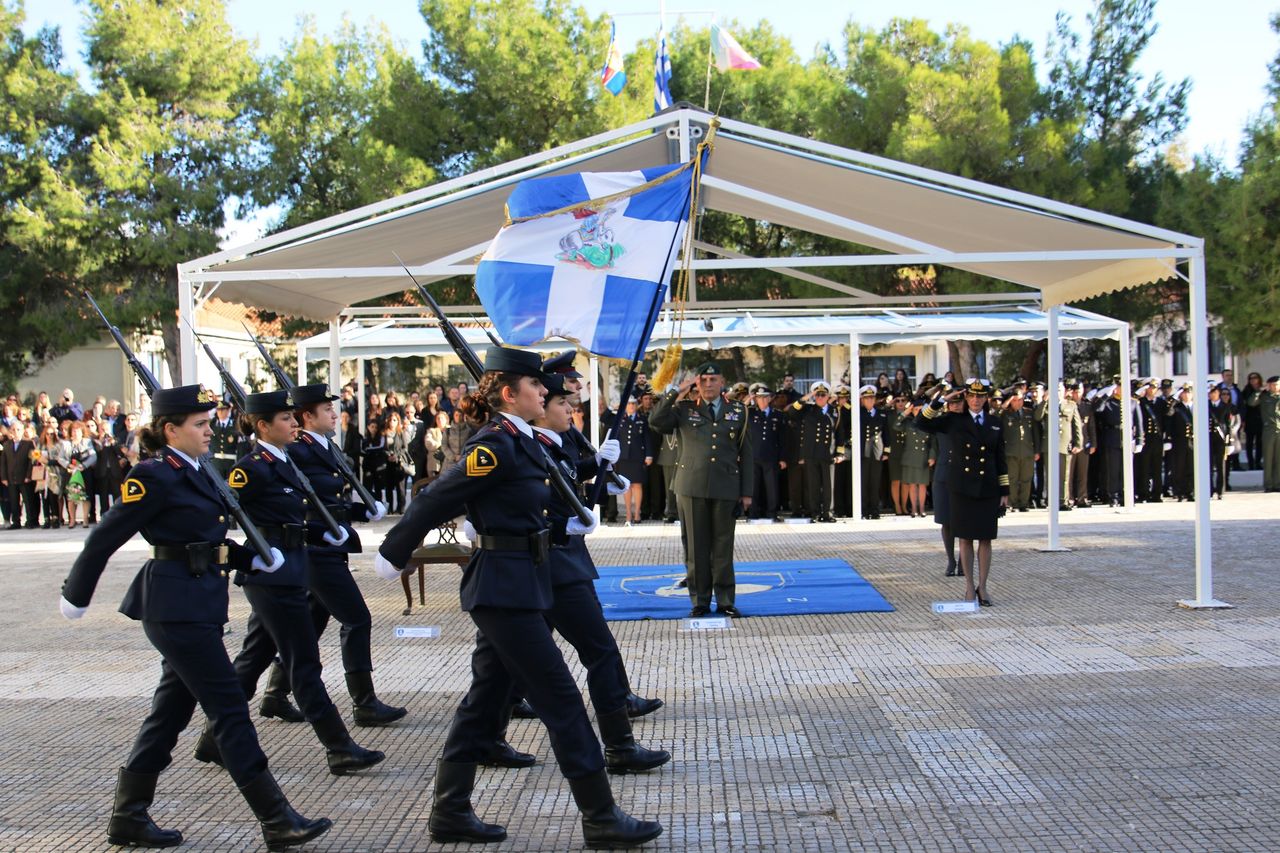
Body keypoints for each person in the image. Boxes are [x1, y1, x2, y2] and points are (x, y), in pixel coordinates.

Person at [375, 347, 662, 848]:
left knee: (486, 699)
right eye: (536, 388)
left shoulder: (525, 441)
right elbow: (439, 495)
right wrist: (396, 548)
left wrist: (568, 518)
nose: (546, 394)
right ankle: (600, 816)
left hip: (522, 581)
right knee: (561, 698)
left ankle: (450, 811)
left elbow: (537, 501)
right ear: (512, 394)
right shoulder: (496, 444)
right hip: (502, 589)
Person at [58, 384, 331, 851]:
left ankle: (128, 817)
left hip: (199, 602)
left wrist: (252, 560)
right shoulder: (155, 475)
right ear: (171, 430)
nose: (210, 431)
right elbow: (105, 536)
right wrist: (77, 593)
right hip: (173, 606)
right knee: (228, 708)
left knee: (170, 713)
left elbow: (207, 539)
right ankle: (276, 818)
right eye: (200, 425)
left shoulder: (199, 470)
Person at [193, 390, 384, 776]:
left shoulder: (284, 461)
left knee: (254, 659)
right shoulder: (254, 467)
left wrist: (324, 533)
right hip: (271, 574)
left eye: (294, 418)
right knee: (304, 664)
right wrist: (230, 555)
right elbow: (222, 511)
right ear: (263, 426)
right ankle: (339, 746)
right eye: (285, 418)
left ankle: (214, 739)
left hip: (290, 568)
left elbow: (293, 517)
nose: (295, 423)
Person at [490, 374, 670, 773]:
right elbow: (540, 501)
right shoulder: (526, 447)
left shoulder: (547, 445)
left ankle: (485, 737)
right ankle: (620, 747)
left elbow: (569, 479)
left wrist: (598, 469)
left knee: (502, 664)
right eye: (557, 403)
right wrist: (566, 520)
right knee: (599, 652)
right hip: (554, 564)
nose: (568, 409)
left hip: (556, 562)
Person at [250, 384, 401, 730]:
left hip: (328, 546)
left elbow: (328, 498)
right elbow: (302, 501)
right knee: (357, 618)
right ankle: (364, 702)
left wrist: (361, 510)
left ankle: (275, 694)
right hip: (316, 551)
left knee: (311, 623)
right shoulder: (298, 451)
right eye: (327, 411)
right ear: (308, 417)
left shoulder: (324, 447)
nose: (335, 414)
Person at [649, 362, 753, 618]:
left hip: (726, 485)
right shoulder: (684, 410)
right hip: (691, 486)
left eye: (713, 379)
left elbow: (747, 454)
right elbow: (655, 420)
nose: (708, 384)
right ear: (697, 383)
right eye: (703, 379)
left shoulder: (739, 411)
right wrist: (677, 390)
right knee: (695, 547)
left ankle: (726, 600)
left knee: (723, 546)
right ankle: (700, 601)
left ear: (722, 382)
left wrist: (746, 491)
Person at [918, 380, 1009, 605]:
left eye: (980, 396)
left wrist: (1004, 489)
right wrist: (941, 401)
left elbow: (1000, 458)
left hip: (987, 486)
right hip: (962, 487)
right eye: (972, 396)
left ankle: (983, 587)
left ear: (986, 398)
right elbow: (921, 422)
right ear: (966, 397)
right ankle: (969, 587)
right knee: (966, 538)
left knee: (986, 539)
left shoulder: (995, 423)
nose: (976, 400)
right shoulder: (953, 420)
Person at [786, 381, 838, 523]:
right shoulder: (807, 409)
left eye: (823, 395)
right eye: (818, 395)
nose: (820, 397)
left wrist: (839, 453)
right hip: (811, 453)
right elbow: (792, 411)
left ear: (828, 396)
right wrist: (807, 397)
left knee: (828, 486)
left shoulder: (834, 410)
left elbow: (839, 432)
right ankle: (814, 513)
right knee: (813, 485)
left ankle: (827, 512)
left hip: (827, 453)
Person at [614, 394, 652, 526]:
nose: (631, 406)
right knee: (626, 486)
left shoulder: (642, 420)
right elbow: (616, 439)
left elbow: (647, 438)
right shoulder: (620, 420)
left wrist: (649, 455)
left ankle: (637, 513)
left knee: (637, 485)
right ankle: (628, 513)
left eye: (633, 404)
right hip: (624, 457)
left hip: (637, 456)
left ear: (636, 405)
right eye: (628, 404)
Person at [1001, 383, 1039, 512]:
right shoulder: (1005, 414)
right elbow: (996, 414)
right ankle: (1012, 502)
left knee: (1026, 478)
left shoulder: (1029, 413)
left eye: (1020, 400)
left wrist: (1037, 450)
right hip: (1011, 451)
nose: (1018, 403)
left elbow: (1035, 433)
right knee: (1012, 478)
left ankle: (1023, 503)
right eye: (1015, 400)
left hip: (1027, 450)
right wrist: (1008, 401)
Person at [746, 386, 783, 520]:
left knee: (771, 487)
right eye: (759, 397)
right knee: (754, 487)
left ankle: (772, 513)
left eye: (764, 397)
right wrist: (749, 399)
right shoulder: (750, 413)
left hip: (771, 456)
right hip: (753, 456)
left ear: (770, 398)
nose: (761, 400)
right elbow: (738, 411)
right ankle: (753, 513)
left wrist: (782, 458)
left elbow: (782, 438)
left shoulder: (777, 414)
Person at [897, 396, 936, 517]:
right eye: (915, 409)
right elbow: (896, 425)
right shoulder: (908, 422)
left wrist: (932, 456)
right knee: (912, 484)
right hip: (910, 457)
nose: (917, 411)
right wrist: (905, 412)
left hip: (923, 457)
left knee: (923, 485)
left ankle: (922, 508)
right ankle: (914, 509)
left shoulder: (928, 422)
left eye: (920, 409)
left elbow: (933, 442)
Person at [857, 385, 890, 519]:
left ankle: (875, 510)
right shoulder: (858, 413)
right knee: (864, 483)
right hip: (863, 452)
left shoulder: (881, 413)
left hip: (877, 451)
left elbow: (886, 434)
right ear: (862, 400)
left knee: (875, 482)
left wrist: (887, 451)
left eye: (871, 398)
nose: (869, 401)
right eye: (866, 398)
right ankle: (864, 510)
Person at [1248, 376, 1280, 491]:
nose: (1275, 387)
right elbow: (1251, 403)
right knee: (1268, 458)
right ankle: (1268, 485)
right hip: (1268, 430)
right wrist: (1259, 391)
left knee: (1279, 459)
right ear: (1268, 385)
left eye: (1277, 384)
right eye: (1272, 385)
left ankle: (1278, 484)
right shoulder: (1264, 396)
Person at [383, 411, 412, 514]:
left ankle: (401, 508)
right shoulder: (384, 433)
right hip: (387, 464)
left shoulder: (401, 433)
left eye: (394, 420)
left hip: (399, 463)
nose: (392, 422)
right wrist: (388, 455)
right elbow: (382, 448)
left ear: (398, 421)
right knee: (389, 487)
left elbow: (405, 448)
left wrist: (397, 455)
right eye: (390, 420)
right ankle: (389, 508)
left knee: (400, 488)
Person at [1207, 384, 1232, 499]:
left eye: (1214, 392)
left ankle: (1220, 490)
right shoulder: (1205, 406)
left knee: (1220, 466)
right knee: (1209, 466)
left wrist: (1229, 441)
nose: (1212, 394)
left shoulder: (1225, 406)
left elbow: (1228, 424)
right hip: (1208, 439)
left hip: (1220, 439)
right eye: (1210, 392)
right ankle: (1209, 490)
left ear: (1218, 393)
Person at [210, 400, 239, 479]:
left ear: (228, 410)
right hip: (216, 463)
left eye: (223, 409)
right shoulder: (212, 425)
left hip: (231, 462)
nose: (220, 412)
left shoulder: (235, 425)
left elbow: (240, 446)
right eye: (218, 410)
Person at [1241, 372, 1264, 470]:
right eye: (1251, 378)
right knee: (1249, 444)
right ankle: (1251, 463)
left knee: (1260, 443)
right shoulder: (1246, 390)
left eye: (1255, 378)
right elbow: (1248, 404)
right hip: (1250, 420)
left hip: (1261, 420)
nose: (1253, 380)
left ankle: (1258, 462)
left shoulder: (1264, 391)